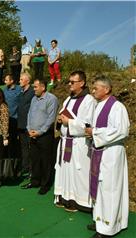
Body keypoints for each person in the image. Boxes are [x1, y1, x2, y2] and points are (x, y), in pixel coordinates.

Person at [84, 75, 129, 238]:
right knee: (101, 188)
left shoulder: (117, 107)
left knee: (109, 189)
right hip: (100, 152)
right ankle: (100, 220)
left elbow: (122, 130)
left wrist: (94, 132)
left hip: (111, 154)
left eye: (96, 88)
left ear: (107, 89)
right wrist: (91, 134)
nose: (93, 90)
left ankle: (108, 229)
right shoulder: (99, 105)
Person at [54, 71, 97, 212]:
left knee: (79, 173)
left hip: (79, 144)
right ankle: (65, 197)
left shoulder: (89, 100)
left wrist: (69, 122)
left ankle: (80, 202)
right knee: (65, 171)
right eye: (69, 81)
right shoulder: (68, 99)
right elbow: (62, 114)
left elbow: (88, 124)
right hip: (65, 141)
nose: (69, 84)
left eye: (73, 82)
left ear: (82, 83)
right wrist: (60, 119)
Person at [22, 79, 58, 195]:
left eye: (36, 87)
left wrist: (40, 132)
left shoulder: (51, 99)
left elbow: (51, 119)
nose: (34, 89)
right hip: (32, 134)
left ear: (43, 87)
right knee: (35, 159)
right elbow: (29, 115)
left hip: (45, 136)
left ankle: (45, 184)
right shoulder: (34, 99)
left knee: (45, 161)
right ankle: (35, 181)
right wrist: (28, 128)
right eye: (33, 87)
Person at [17, 72, 35, 176]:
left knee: (31, 147)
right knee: (23, 147)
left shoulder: (32, 92)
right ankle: (25, 167)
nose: (19, 81)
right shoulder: (21, 92)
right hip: (21, 124)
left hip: (29, 125)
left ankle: (32, 169)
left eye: (21, 79)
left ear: (27, 81)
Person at [3, 74, 22, 165]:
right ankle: (9, 161)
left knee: (15, 141)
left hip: (16, 119)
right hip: (6, 119)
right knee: (8, 141)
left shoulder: (19, 89)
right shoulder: (5, 90)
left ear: (12, 81)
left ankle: (17, 161)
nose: (5, 82)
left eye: (6, 80)